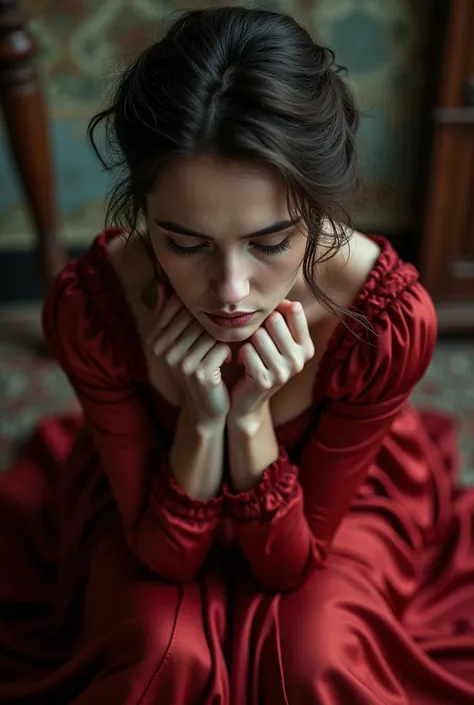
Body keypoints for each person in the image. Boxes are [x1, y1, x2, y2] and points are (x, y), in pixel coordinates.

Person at [1, 6, 473, 704]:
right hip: (150, 484)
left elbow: (289, 564)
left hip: (333, 493)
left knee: (314, 658)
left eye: (272, 241)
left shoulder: (384, 322)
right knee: (158, 650)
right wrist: (199, 419)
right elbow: (164, 554)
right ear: (142, 214)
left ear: (316, 212)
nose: (229, 291)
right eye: (184, 243)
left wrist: (249, 418)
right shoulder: (95, 307)